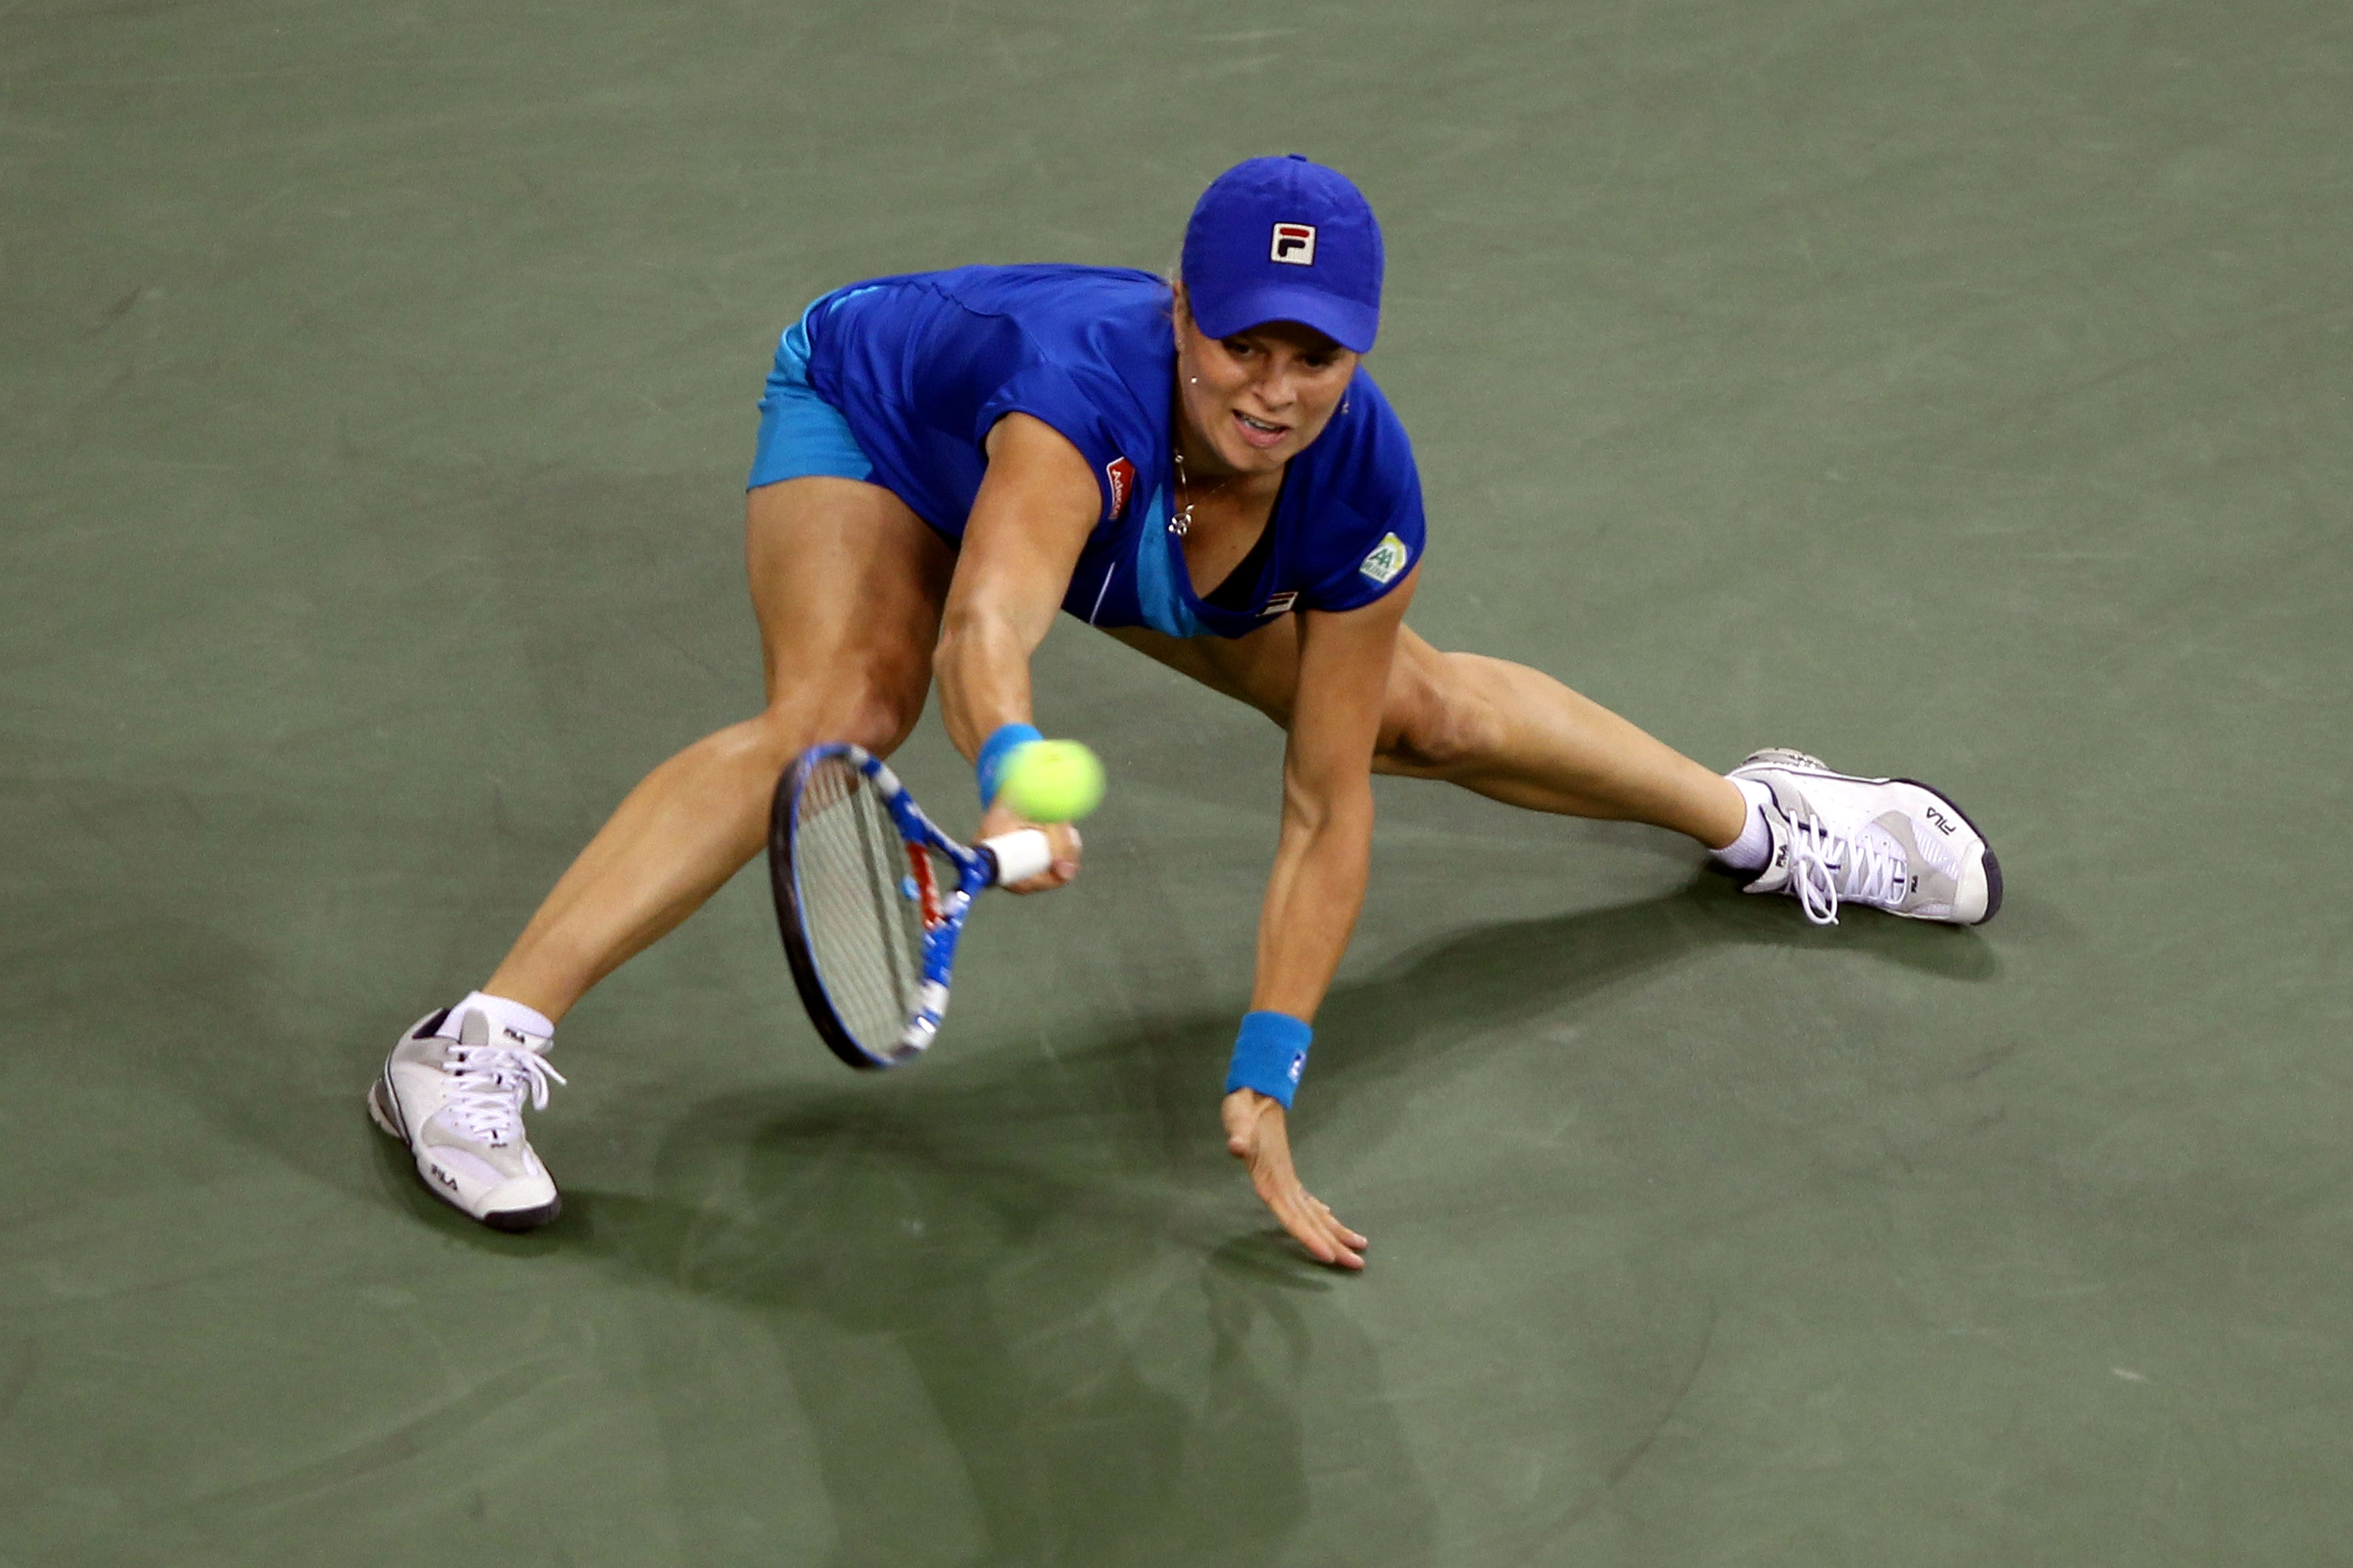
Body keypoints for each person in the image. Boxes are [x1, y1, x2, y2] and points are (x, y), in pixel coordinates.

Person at [369, 155, 2001, 1266]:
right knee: (838, 715)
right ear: (1179, 312)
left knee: (1411, 711)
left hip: (1148, 520)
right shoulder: (1077, 401)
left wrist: (1271, 1066)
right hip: (892, 427)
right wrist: (1010, 758)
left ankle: (1775, 819)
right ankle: (471, 1047)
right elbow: (989, 617)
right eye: (1241, 342)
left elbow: (1326, 800)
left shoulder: (1355, 478)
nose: (1273, 387)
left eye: (1317, 355)